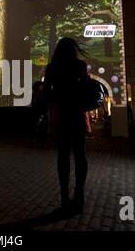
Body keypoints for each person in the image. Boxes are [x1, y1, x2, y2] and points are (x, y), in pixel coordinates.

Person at [43, 37, 88, 214]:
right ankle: (79, 195)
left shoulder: (52, 68)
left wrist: (58, 94)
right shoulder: (80, 66)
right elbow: (85, 89)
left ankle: (64, 198)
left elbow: (46, 94)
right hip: (77, 114)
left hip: (61, 115)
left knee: (63, 156)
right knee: (80, 155)